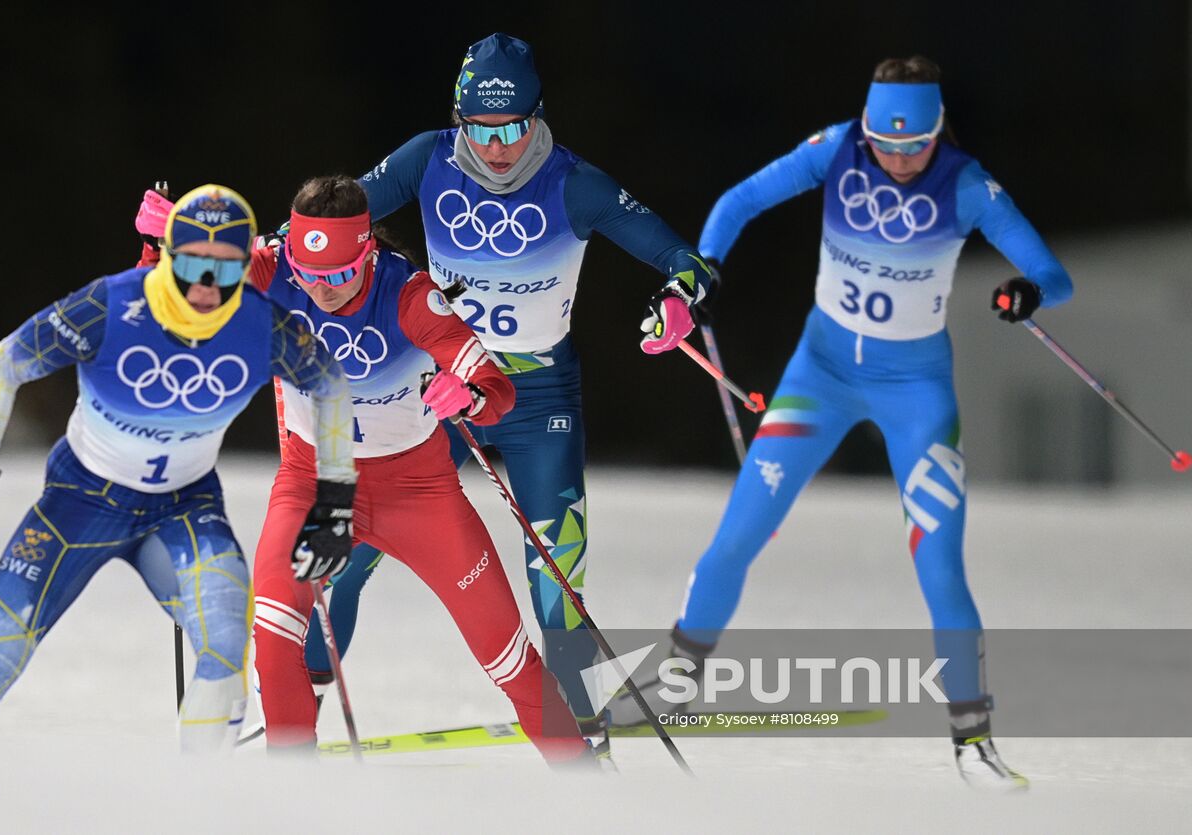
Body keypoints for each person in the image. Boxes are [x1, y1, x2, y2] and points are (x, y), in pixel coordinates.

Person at [648, 56, 1073, 789]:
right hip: (820, 380)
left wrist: (1026, 292)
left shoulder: (966, 183)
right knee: (734, 539)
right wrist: (700, 271)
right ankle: (673, 687)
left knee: (941, 568)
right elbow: (737, 200)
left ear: (940, 132)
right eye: (887, 143)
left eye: (916, 146)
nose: (901, 160)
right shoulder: (837, 149)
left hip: (917, 395)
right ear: (867, 130)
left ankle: (975, 743)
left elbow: (1053, 274)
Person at [307, 32, 719, 751]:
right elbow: (315, 235)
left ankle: (584, 731)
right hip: (436, 390)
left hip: (539, 401)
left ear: (538, 115)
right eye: (481, 129)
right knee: (349, 553)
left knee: (556, 576)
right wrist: (201, 262)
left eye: (513, 129)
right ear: (458, 118)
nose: (497, 148)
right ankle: (296, 713)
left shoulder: (574, 184)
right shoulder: (426, 159)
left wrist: (681, 297)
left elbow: (688, 260)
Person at [0, 185, 355, 752]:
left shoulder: (260, 324)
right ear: (169, 254)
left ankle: (192, 805)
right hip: (78, 503)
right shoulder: (113, 305)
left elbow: (330, 384)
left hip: (183, 509)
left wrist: (335, 500)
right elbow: (3, 365)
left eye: (224, 268)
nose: (205, 286)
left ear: (247, 265)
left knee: (225, 655)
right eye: (192, 262)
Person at [220, 175, 589, 766]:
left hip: (418, 494)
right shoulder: (270, 270)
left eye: (339, 275)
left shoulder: (411, 295)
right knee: (272, 637)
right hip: (311, 485)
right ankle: (289, 798)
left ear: (367, 253)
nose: (323, 290)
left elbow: (496, 389)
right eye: (309, 273)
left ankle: (587, 783)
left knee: (509, 660)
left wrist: (465, 398)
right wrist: (157, 243)